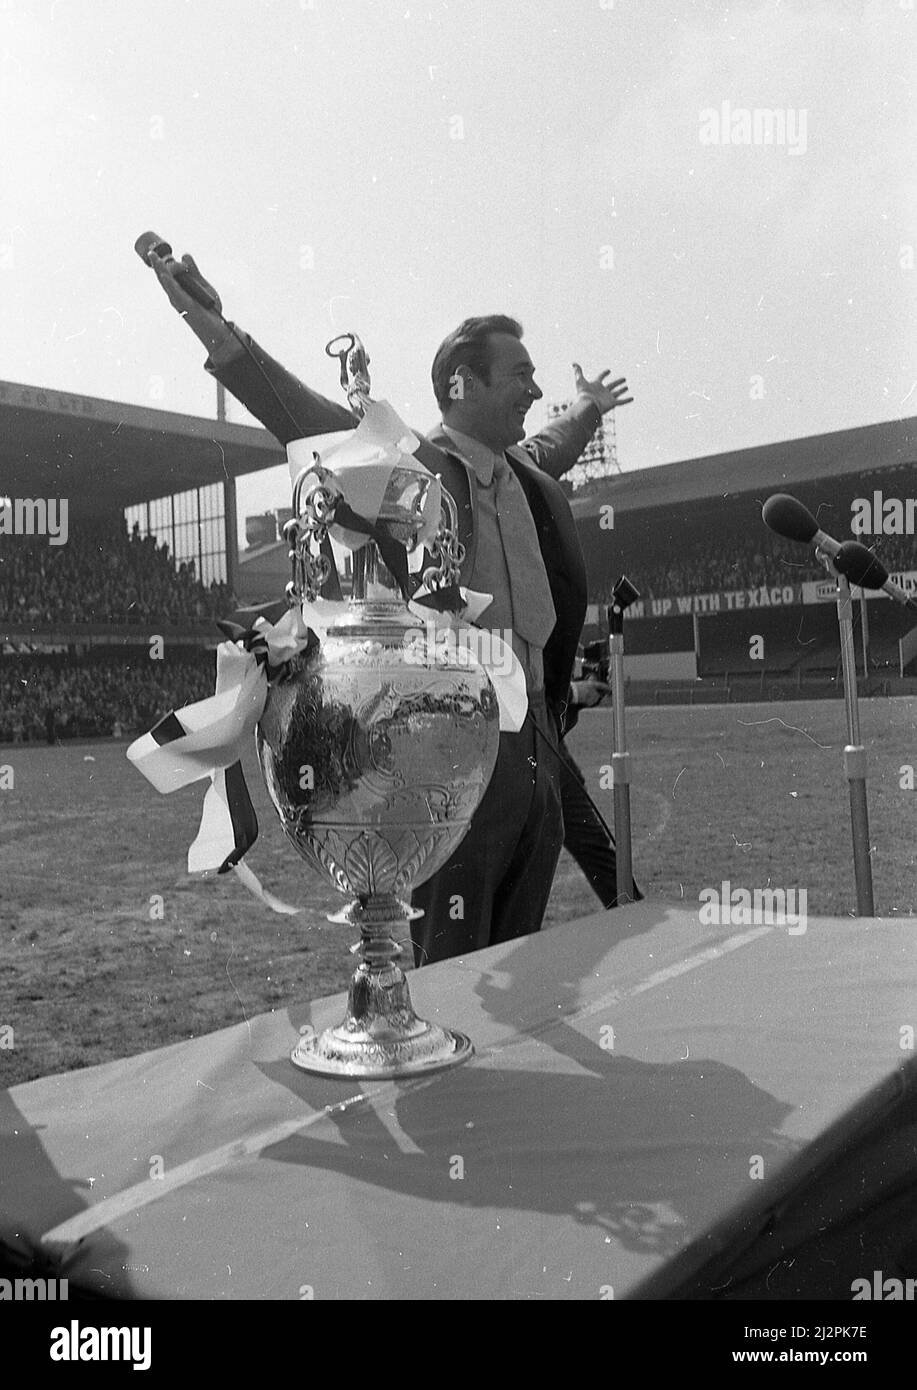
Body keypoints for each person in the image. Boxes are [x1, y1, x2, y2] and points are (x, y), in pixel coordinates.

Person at [145, 250, 631, 964]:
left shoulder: (525, 475)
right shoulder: (405, 467)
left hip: (541, 745)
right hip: (459, 743)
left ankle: (503, 1075)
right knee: (454, 953)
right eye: (521, 373)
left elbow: (554, 440)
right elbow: (302, 418)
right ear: (463, 382)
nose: (535, 386)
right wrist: (219, 333)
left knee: (520, 953)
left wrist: (589, 405)